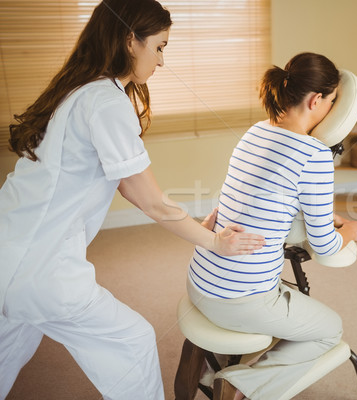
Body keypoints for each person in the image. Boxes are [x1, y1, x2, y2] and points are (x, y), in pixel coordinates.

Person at [0, 1, 264, 399]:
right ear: (130, 40)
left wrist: (193, 223)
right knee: (134, 342)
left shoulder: (76, 89)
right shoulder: (106, 101)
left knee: (9, 346)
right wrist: (213, 241)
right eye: (158, 47)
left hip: (8, 249)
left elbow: (128, 186)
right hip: (41, 269)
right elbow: (148, 200)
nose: (161, 61)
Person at [186, 52, 357, 400]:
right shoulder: (313, 154)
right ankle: (239, 385)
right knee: (330, 330)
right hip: (239, 300)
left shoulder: (257, 131)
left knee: (295, 310)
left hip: (199, 280)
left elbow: (271, 197)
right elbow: (326, 246)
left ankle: (206, 369)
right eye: (331, 102)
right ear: (316, 100)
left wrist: (326, 216)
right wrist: (351, 230)